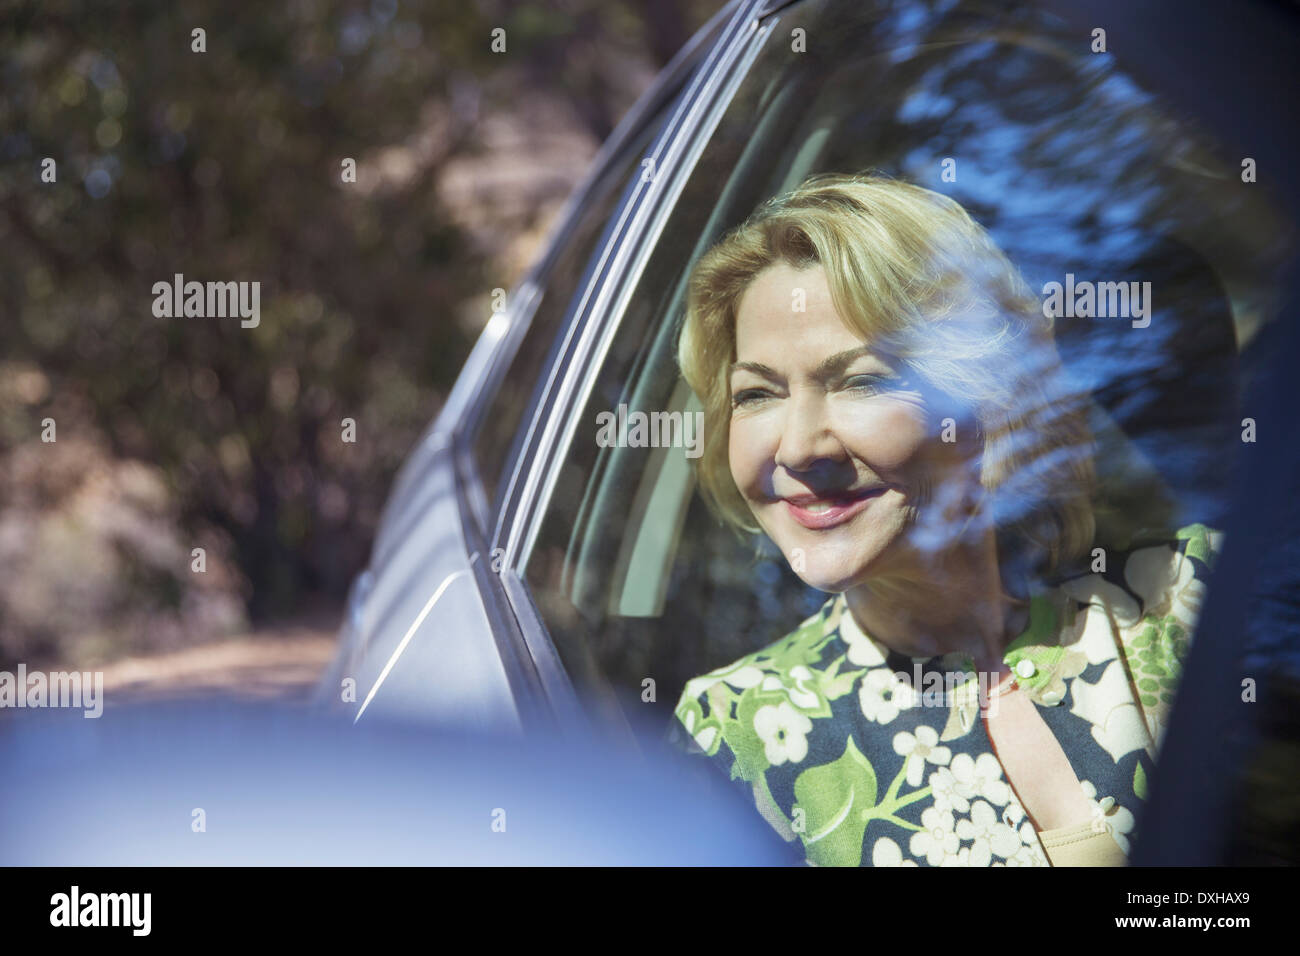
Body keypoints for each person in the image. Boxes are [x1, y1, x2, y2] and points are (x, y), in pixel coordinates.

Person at [670, 172, 1220, 866]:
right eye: (756, 393)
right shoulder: (735, 736)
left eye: (862, 380)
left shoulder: (1190, 601)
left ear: (988, 401)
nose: (800, 445)